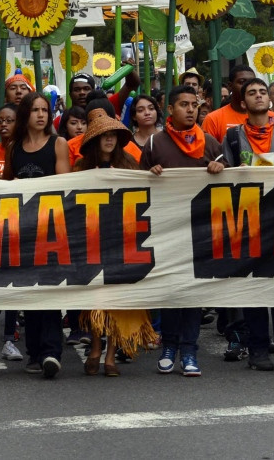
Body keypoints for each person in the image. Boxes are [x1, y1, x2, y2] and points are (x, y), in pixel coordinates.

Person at [142, 85, 225, 377]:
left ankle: (189, 350)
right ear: (170, 110)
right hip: (166, 231)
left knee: (192, 294)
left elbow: (234, 176)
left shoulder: (212, 143)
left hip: (200, 230)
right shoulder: (154, 144)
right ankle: (169, 346)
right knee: (170, 292)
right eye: (184, 105)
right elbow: (137, 186)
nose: (190, 110)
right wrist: (149, 175)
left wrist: (220, 166)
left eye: (194, 104)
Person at [221, 78, 274, 372]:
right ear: (243, 103)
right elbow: (221, 179)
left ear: (270, 101)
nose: (258, 97)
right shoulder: (232, 137)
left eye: (262, 93)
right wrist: (232, 172)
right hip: (248, 221)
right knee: (254, 287)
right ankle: (257, 349)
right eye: (251, 93)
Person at [74, 113, 156, 376]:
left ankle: (110, 355)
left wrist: (153, 174)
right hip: (93, 240)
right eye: (103, 135)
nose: (109, 139)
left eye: (113, 135)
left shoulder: (131, 165)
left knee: (119, 300)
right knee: (96, 298)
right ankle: (96, 348)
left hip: (124, 239)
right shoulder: (79, 169)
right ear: (95, 140)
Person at [4, 93, 70, 378]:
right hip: (22, 230)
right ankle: (34, 352)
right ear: (25, 115)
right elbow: (6, 185)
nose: (41, 115)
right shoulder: (13, 147)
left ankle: (51, 351)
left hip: (51, 228)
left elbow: (66, 185)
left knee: (50, 291)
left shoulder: (59, 144)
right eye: (35, 110)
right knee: (29, 292)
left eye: (45, 110)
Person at [203, 66, 274, 142]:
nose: (248, 86)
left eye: (252, 82)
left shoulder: (273, 117)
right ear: (230, 86)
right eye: (242, 82)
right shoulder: (213, 119)